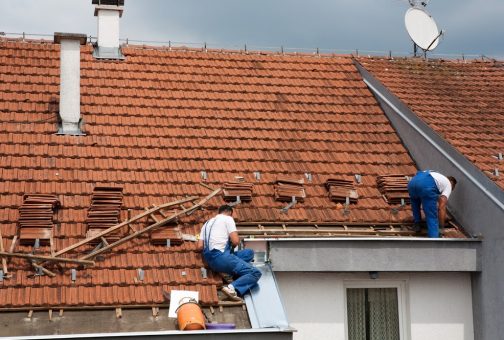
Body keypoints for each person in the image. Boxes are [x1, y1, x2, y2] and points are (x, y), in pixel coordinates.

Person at [197, 205, 261, 301]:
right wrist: (232, 246)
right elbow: (235, 241)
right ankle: (231, 288)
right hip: (221, 258)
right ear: (230, 213)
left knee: (249, 253)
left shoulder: (206, 224)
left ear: (219, 212)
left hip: (210, 259)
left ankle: (236, 271)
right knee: (255, 272)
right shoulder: (228, 219)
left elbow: (199, 246)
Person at [408, 170, 457, 238]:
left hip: (412, 183)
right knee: (431, 215)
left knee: (415, 202)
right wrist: (441, 227)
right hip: (427, 185)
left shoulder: (437, 175)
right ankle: (434, 238)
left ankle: (417, 224)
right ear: (452, 185)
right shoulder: (448, 185)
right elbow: (441, 208)